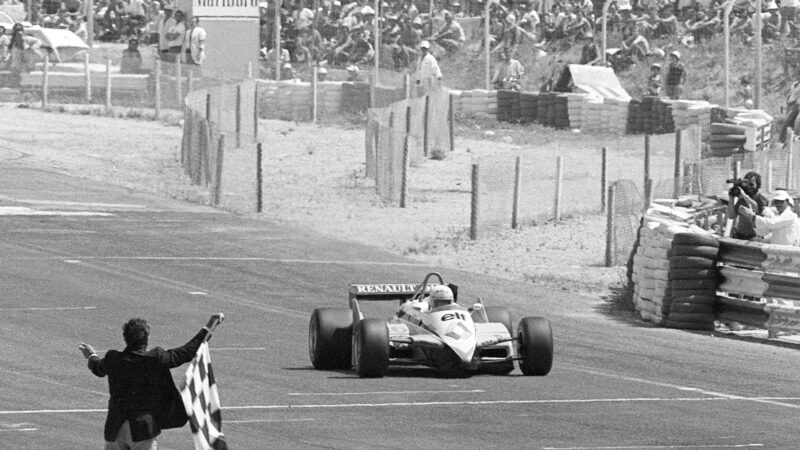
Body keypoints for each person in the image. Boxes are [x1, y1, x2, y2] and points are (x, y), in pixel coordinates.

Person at [78, 314, 223, 450]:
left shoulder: (113, 359)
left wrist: (91, 355)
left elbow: (98, 368)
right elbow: (186, 352)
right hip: (143, 429)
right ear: (146, 339)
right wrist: (208, 328)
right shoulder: (155, 358)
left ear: (125, 338)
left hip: (115, 428)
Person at [726, 171, 769, 240]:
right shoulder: (742, 200)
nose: (748, 187)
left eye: (751, 184)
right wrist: (731, 199)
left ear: (758, 185)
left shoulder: (761, 199)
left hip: (755, 237)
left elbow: (756, 208)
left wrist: (744, 196)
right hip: (740, 236)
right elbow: (731, 216)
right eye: (747, 184)